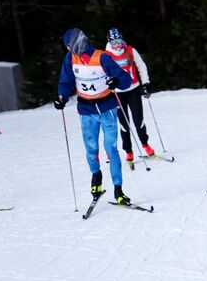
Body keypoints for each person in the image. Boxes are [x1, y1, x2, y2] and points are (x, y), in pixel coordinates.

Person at [54, 28, 133, 205]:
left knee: (111, 149)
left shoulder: (102, 57)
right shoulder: (70, 59)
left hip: (107, 109)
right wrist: (62, 97)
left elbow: (125, 78)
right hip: (86, 111)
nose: (69, 50)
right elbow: (66, 81)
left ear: (76, 44)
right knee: (91, 150)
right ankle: (96, 177)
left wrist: (116, 81)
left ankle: (118, 190)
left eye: (69, 46)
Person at [104, 28, 154, 162]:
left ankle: (145, 144)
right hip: (118, 93)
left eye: (119, 41)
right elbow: (102, 74)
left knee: (139, 119)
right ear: (109, 42)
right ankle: (129, 150)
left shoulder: (130, 50)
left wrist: (146, 83)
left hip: (133, 89)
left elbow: (141, 66)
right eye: (114, 42)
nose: (117, 45)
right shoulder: (106, 55)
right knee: (124, 123)